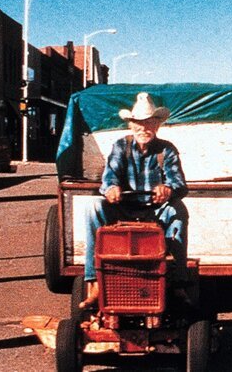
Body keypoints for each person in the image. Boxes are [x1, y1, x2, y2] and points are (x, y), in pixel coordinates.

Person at [79, 92, 189, 308]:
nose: (143, 128)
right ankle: (94, 281)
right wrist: (111, 188)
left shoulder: (167, 150)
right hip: (122, 209)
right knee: (93, 207)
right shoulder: (121, 146)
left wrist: (168, 189)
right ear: (131, 125)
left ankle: (177, 282)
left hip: (155, 211)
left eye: (149, 122)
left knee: (178, 211)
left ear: (157, 124)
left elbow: (179, 183)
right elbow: (109, 177)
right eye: (138, 123)